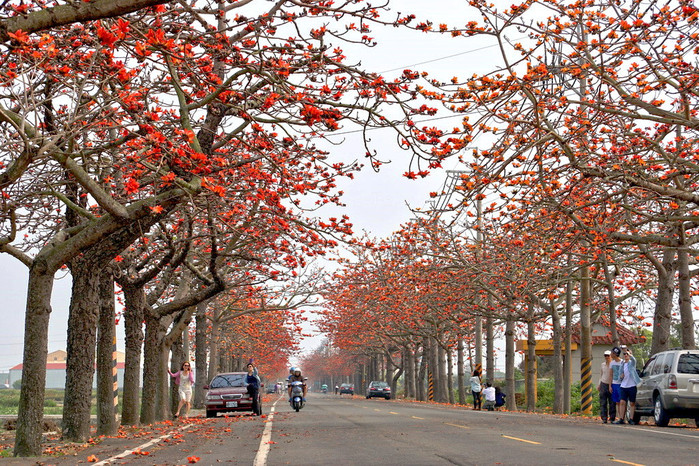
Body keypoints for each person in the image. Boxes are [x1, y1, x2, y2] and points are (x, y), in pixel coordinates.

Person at [614, 347, 641, 425]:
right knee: (622, 401)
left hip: (632, 385)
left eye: (627, 354)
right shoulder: (622, 364)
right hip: (623, 385)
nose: (626, 355)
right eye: (624, 354)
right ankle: (621, 418)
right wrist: (621, 376)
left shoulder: (631, 363)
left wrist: (630, 354)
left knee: (632, 403)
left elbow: (634, 360)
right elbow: (619, 374)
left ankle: (631, 419)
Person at [598, 350, 615, 423]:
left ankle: (612, 417)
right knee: (603, 402)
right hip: (603, 383)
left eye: (608, 356)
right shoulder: (603, 365)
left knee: (612, 402)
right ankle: (604, 418)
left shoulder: (613, 364)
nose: (607, 357)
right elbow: (601, 374)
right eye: (605, 356)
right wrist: (599, 384)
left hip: (611, 384)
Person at [610, 346, 623, 420]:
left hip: (621, 384)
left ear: (615, 354)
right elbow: (610, 374)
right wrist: (610, 385)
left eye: (612, 353)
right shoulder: (612, 363)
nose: (611, 354)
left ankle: (622, 417)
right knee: (617, 402)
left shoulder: (622, 362)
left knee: (621, 401)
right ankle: (619, 417)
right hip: (614, 383)